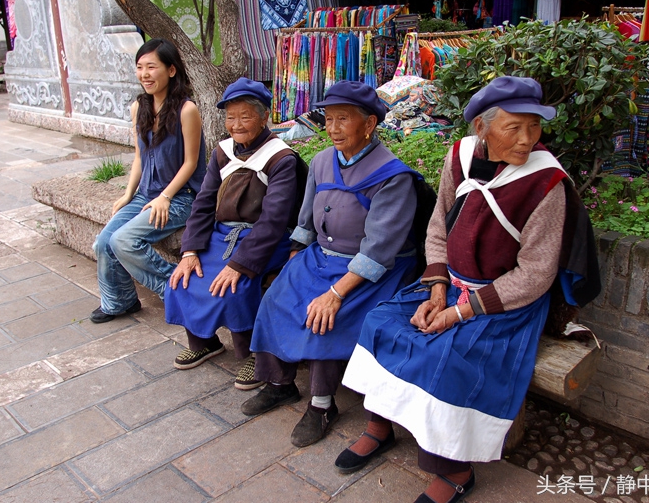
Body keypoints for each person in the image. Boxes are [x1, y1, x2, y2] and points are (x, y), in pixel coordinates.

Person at [336, 76, 574, 503]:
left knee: (447, 355)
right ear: (481, 128)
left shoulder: (546, 183)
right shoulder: (460, 156)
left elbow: (536, 275)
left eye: (534, 127)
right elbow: (438, 226)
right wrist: (437, 290)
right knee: (380, 324)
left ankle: (456, 471)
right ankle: (378, 425)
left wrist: (462, 311)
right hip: (449, 283)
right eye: (514, 127)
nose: (527, 140)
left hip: (503, 301)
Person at [242, 81, 420, 448]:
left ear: (369, 124)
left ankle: (322, 404)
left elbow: (378, 252)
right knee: (278, 296)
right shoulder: (323, 161)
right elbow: (305, 223)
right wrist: (295, 265)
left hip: (371, 270)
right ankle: (279, 384)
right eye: (329, 119)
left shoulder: (393, 176)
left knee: (324, 314)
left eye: (343, 119)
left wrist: (334, 293)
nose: (333, 128)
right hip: (321, 257)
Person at [164, 78, 298, 390]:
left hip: (263, 241)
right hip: (221, 235)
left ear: (264, 117)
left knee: (234, 287)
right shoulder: (222, 152)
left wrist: (239, 264)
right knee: (183, 279)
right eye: (230, 117)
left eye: (245, 116)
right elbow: (203, 204)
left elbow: (274, 221)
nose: (235, 125)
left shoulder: (281, 158)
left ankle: (255, 352)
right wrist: (189, 251)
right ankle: (204, 341)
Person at [90, 38, 207, 324]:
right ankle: (120, 301)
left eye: (151, 67)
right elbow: (140, 158)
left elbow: (191, 163)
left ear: (170, 70)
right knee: (103, 243)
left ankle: (178, 288)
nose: (144, 74)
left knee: (124, 240)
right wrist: (128, 195)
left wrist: (165, 197)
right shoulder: (138, 108)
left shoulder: (186, 110)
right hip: (146, 194)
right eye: (140, 67)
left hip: (180, 197)